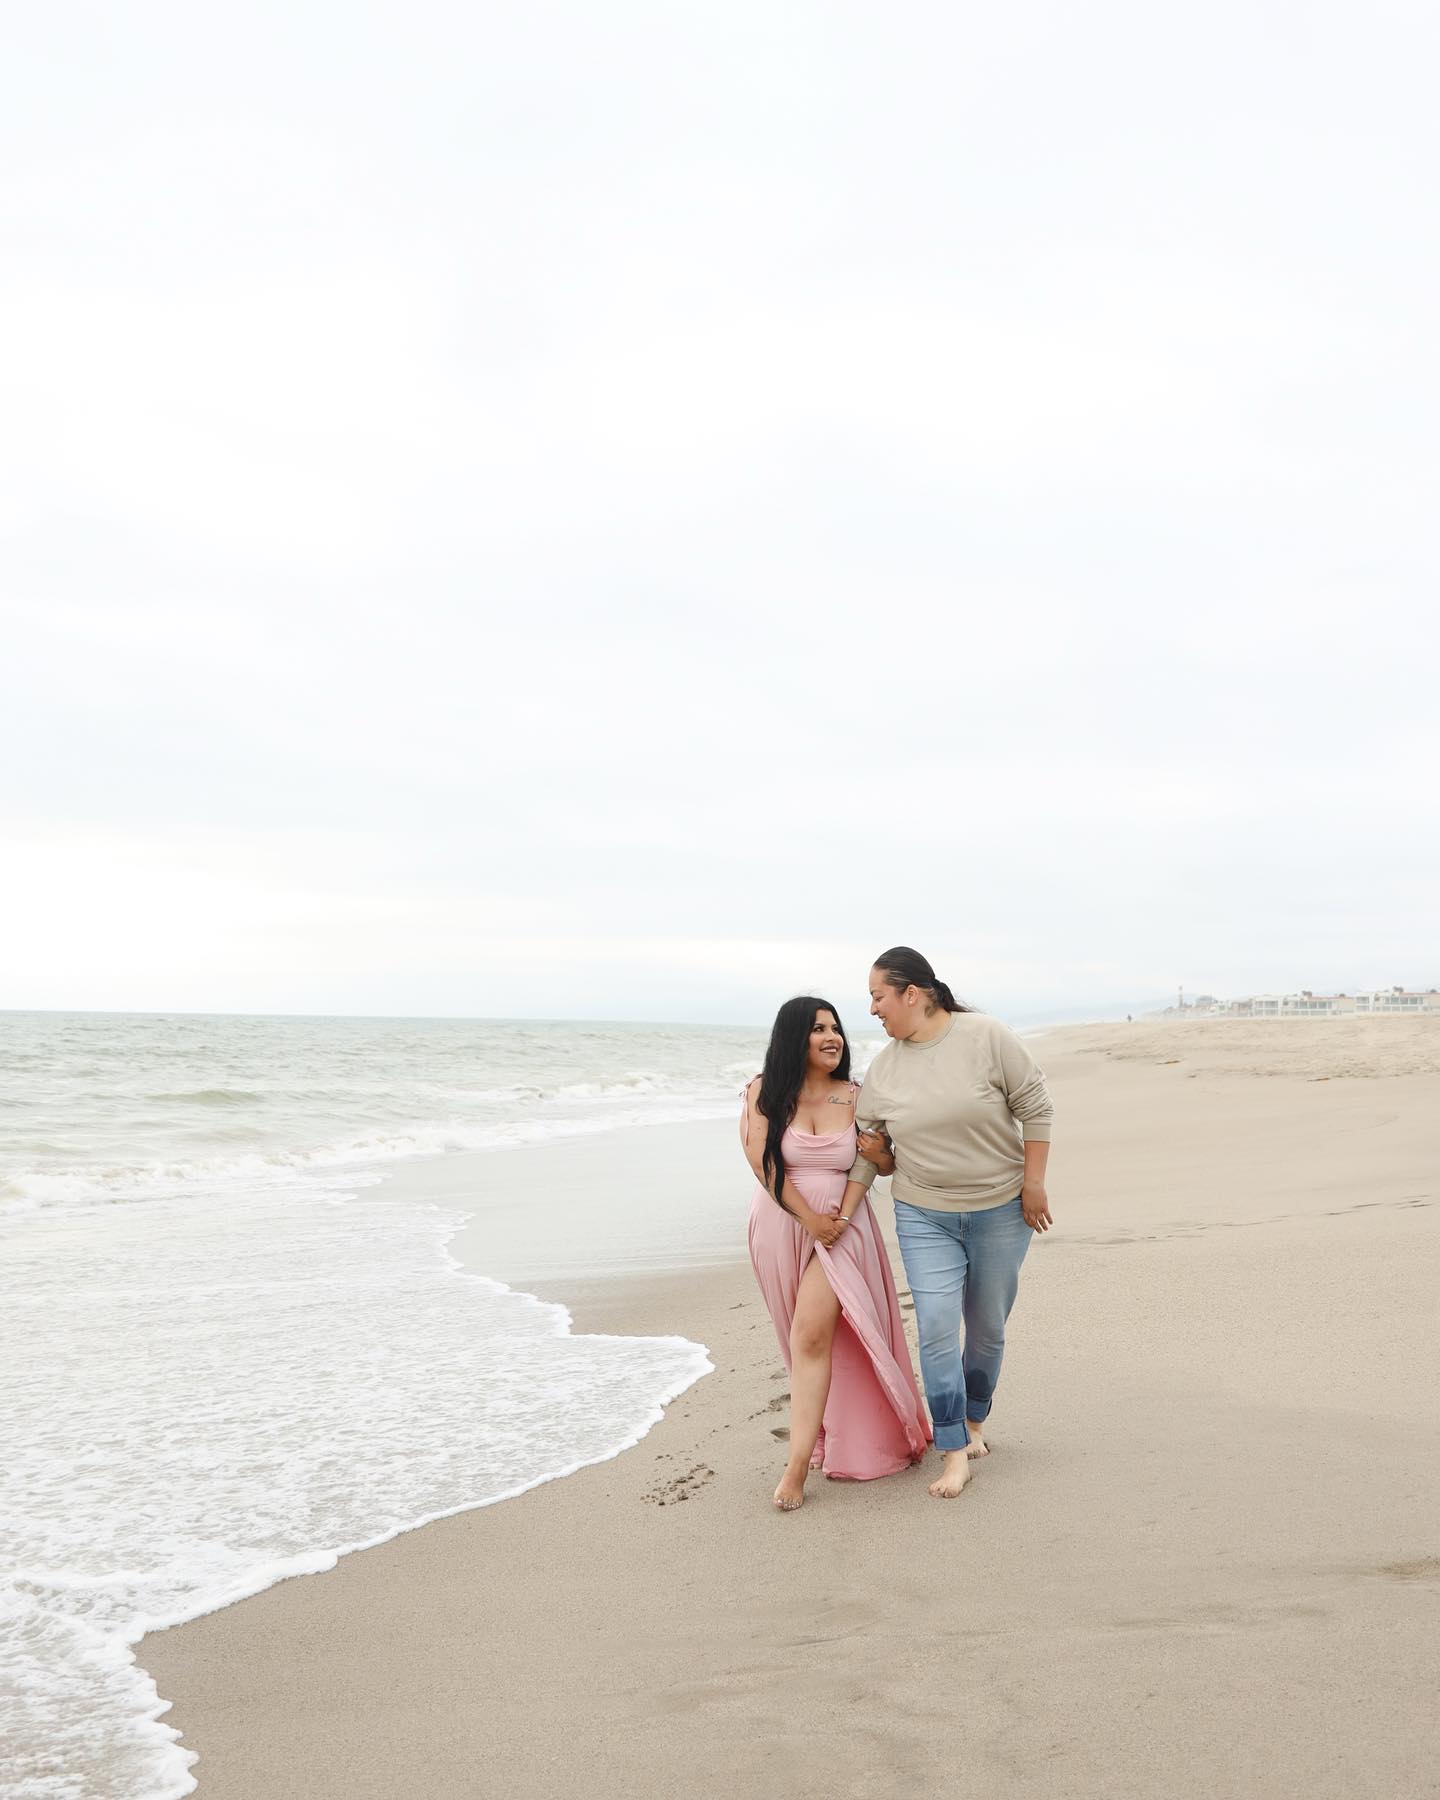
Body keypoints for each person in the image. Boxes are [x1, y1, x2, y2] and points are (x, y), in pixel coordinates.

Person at [849, 947, 1054, 1501]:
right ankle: (954, 1448)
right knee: (937, 1325)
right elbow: (872, 1149)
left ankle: (977, 1419)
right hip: (924, 1213)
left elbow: (1035, 1105)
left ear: (911, 994)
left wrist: (1032, 1183)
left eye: (877, 996)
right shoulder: (884, 1069)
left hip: (1001, 1209)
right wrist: (844, 1209)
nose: (872, 1009)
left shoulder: (985, 1036)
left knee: (987, 1328)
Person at [743, 996, 930, 1511]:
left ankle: (796, 1467)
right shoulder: (764, 1092)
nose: (833, 1037)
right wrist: (809, 1218)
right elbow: (763, 1164)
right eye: (818, 1029)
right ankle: (822, 1437)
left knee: (810, 1333)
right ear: (792, 1038)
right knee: (798, 1338)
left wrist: (843, 1215)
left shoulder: (855, 1095)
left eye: (836, 1029)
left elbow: (878, 1164)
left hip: (844, 1227)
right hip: (783, 1223)